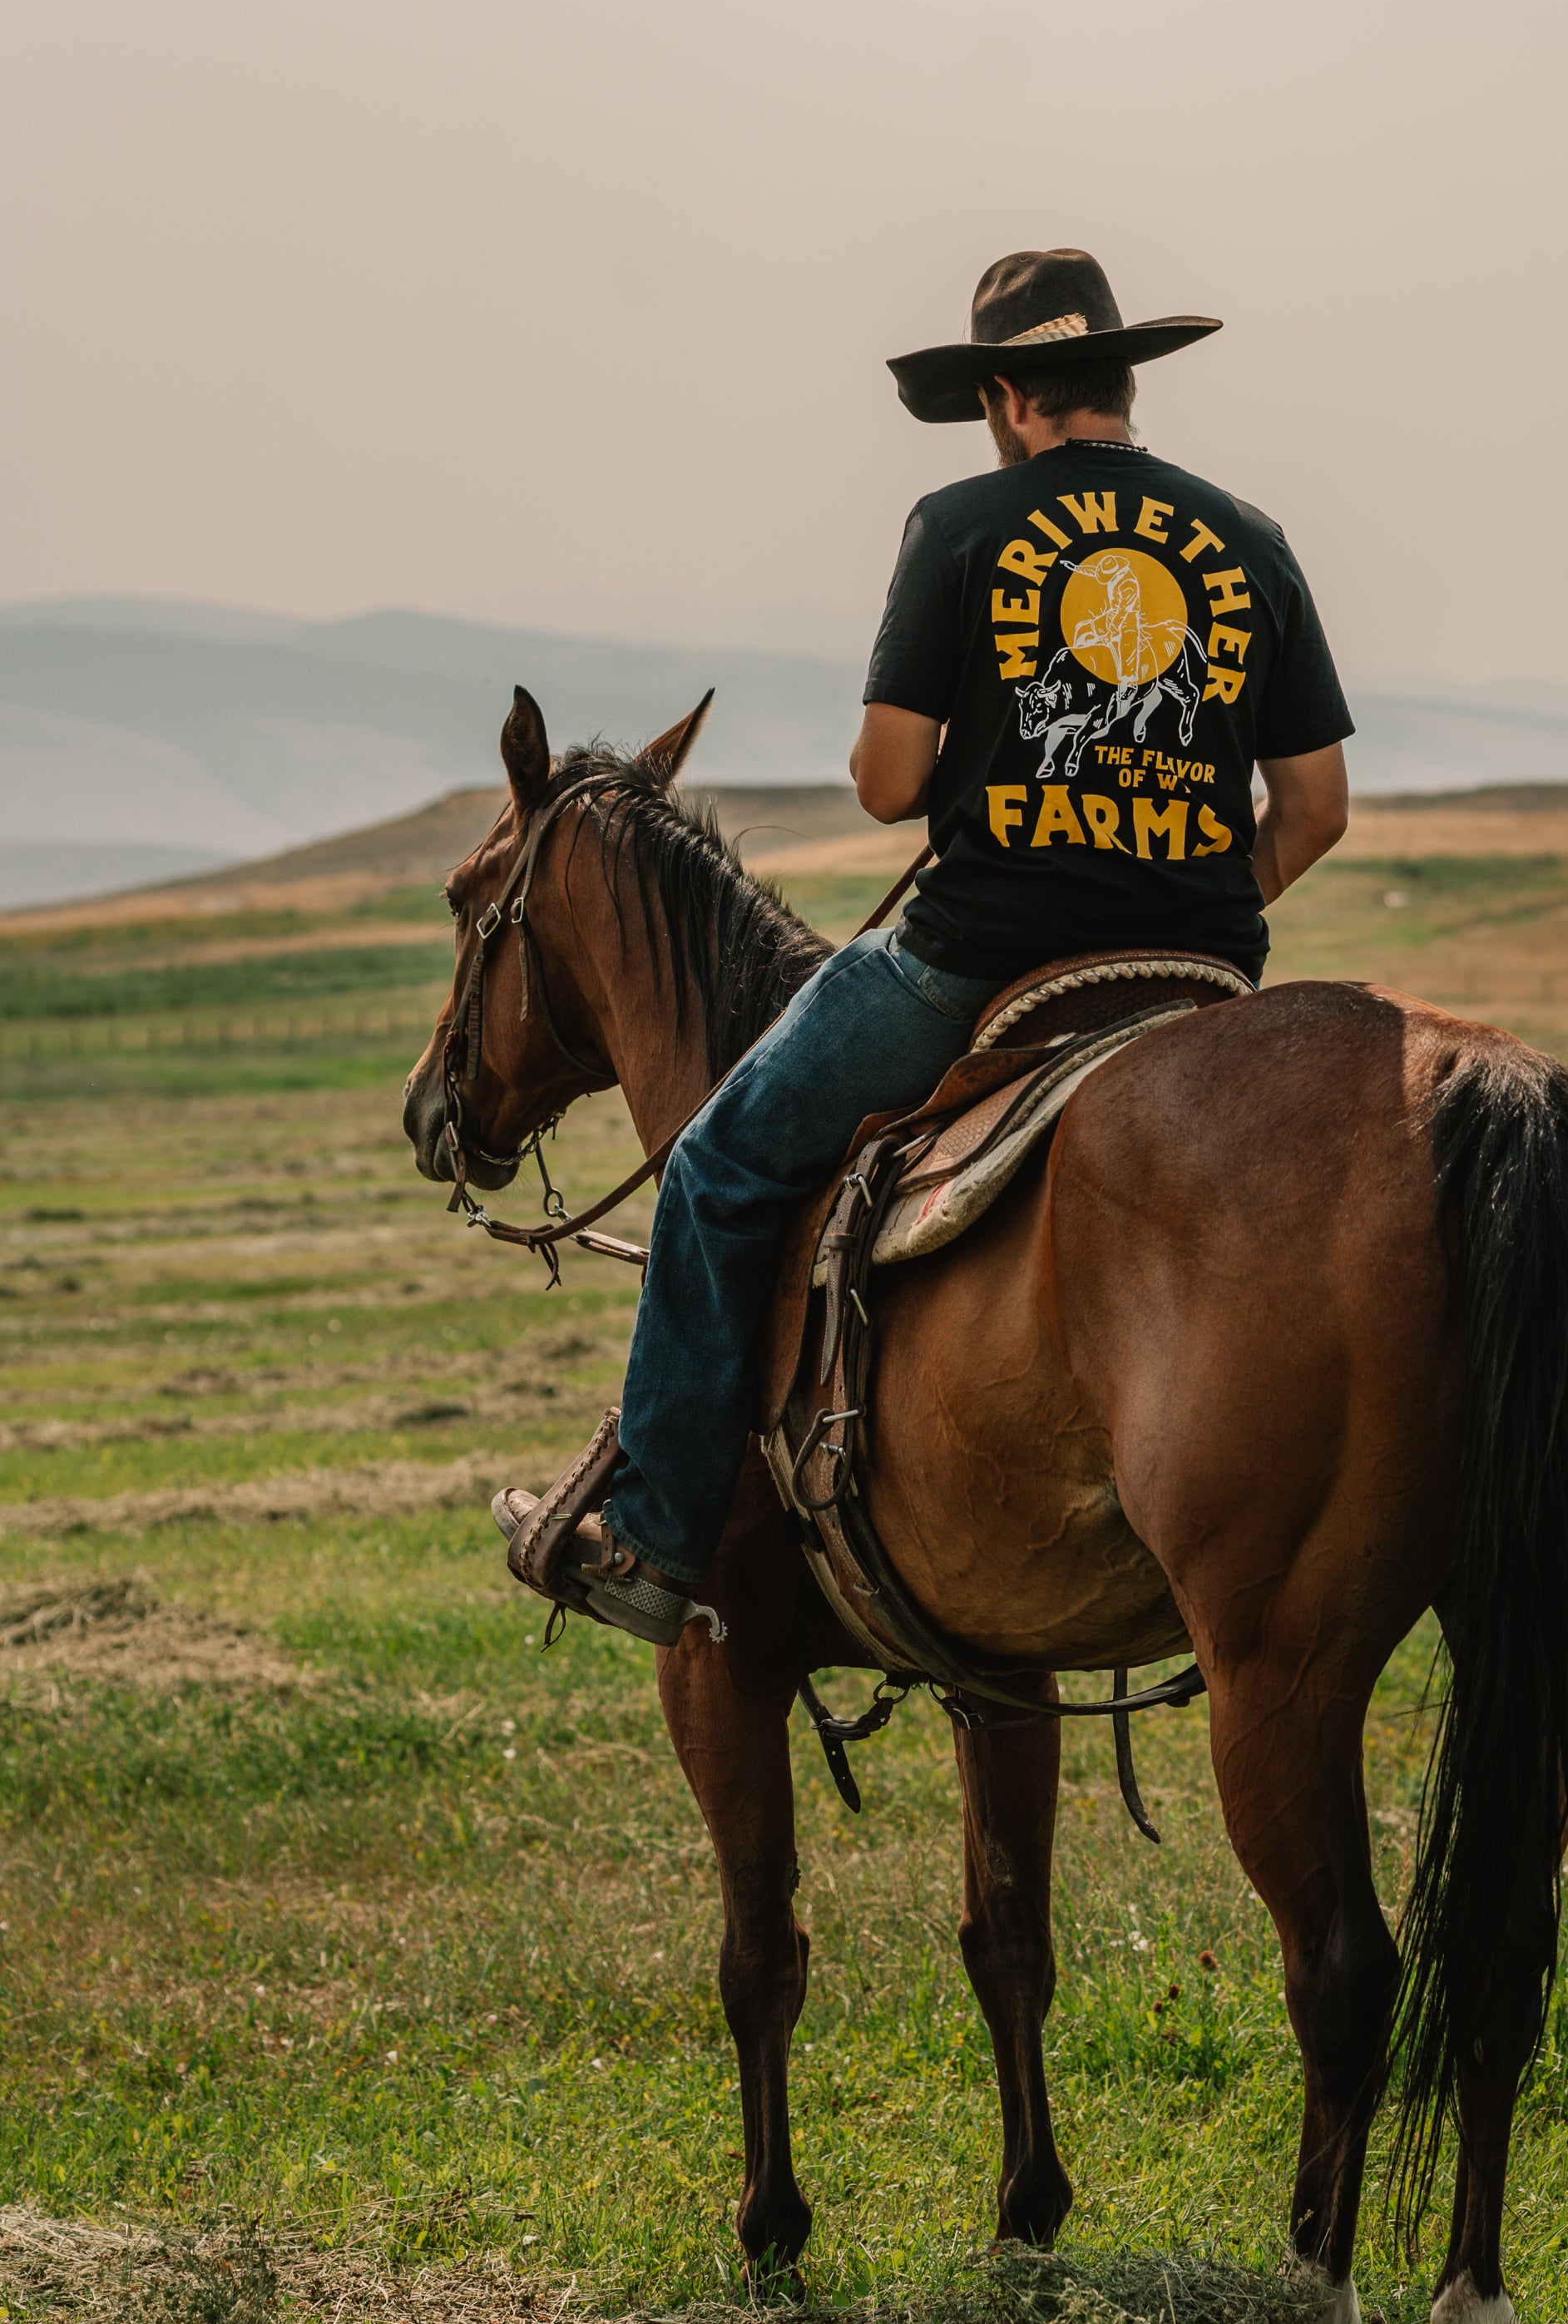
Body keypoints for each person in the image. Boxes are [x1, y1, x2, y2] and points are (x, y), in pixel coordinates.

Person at [495, 247, 1354, 1642]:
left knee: (716, 1165)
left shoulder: (960, 527)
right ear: (1124, 384)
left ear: (1009, 396)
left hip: (977, 966)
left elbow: (890, 784)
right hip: (1199, 976)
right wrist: (1188, 883)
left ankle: (654, 1536)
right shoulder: (1247, 536)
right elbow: (1313, 812)